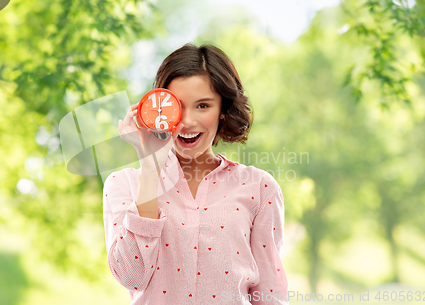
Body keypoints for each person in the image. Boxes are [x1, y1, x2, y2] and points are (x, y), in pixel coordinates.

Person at [103, 43, 288, 304]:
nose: (188, 121)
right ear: (159, 108)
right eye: (177, 105)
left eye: (203, 106)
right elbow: (131, 276)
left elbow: (269, 294)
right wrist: (150, 167)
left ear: (222, 110)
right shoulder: (123, 185)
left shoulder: (259, 187)